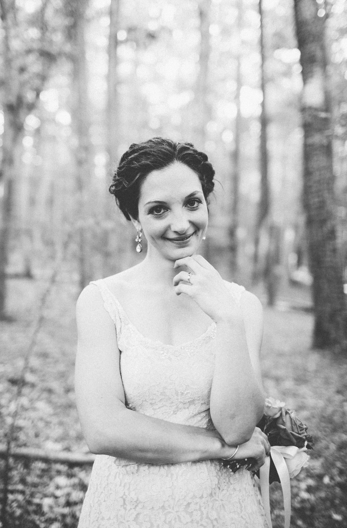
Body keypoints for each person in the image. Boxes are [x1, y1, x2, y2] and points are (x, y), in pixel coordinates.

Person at [75, 138, 271, 527]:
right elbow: (102, 428)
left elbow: (237, 426)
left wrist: (228, 319)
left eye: (192, 203)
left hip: (224, 510)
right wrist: (222, 451)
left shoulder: (242, 306)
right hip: (125, 509)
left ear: (206, 203)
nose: (181, 224)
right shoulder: (101, 301)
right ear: (136, 219)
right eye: (159, 209)